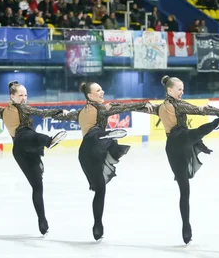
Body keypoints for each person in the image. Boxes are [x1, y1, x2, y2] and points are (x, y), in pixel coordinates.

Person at [55, 82, 153, 240]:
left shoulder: (80, 112)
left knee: (100, 190)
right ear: (90, 96)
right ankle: (105, 137)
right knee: (98, 136)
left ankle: (97, 225)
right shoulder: (102, 108)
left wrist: (60, 112)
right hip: (92, 145)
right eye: (98, 90)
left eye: (102, 89)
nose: (102, 91)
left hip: (86, 155)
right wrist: (143, 103)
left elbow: (58, 116)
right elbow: (125, 107)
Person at [151, 75, 219, 244]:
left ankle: (186, 226)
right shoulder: (171, 106)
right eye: (179, 89)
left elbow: (195, 122)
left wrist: (201, 145)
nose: (182, 91)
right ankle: (216, 123)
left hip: (180, 144)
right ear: (169, 90)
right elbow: (199, 110)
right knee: (184, 188)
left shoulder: (166, 106)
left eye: (183, 89)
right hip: (177, 144)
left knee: (185, 189)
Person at [0, 81, 68, 236]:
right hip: (23, 141)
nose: (24, 98)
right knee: (29, 134)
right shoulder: (18, 109)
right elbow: (42, 113)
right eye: (20, 95)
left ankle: (42, 220)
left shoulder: (3, 111)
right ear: (12, 96)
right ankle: (49, 141)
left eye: (25, 95)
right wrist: (59, 112)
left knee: (38, 186)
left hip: (22, 149)